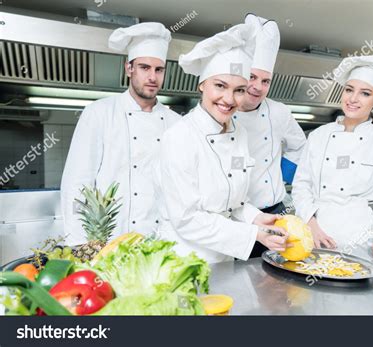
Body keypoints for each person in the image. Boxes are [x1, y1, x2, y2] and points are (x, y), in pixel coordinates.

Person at [157, 23, 289, 263]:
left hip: (226, 258)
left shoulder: (239, 133)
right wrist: (253, 233)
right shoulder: (179, 137)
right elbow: (187, 219)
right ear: (202, 85)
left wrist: (256, 218)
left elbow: (233, 201)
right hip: (186, 260)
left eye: (239, 90)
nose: (229, 99)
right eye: (220, 86)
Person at [61, 23, 181, 245]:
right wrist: (80, 246)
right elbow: (77, 183)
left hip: (158, 242)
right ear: (129, 69)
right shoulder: (99, 113)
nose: (152, 77)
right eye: (144, 67)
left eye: (159, 69)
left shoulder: (176, 124)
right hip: (106, 243)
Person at [292, 54, 373, 259]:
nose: (353, 99)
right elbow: (302, 185)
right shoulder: (318, 136)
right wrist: (311, 225)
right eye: (349, 90)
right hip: (316, 236)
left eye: (365, 93)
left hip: (362, 240)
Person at [233, 14, 306, 257]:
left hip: (277, 212)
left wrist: (281, 174)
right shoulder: (224, 111)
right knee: (241, 278)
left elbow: (300, 146)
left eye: (265, 81)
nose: (257, 87)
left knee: (278, 279)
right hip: (238, 216)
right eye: (252, 77)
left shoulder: (279, 112)